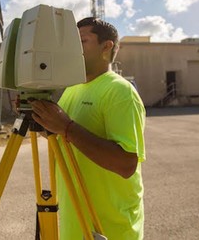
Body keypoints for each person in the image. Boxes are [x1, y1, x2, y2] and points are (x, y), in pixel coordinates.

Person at [30, 17, 146, 240]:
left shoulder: (120, 92)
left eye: (83, 41)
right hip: (75, 216)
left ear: (106, 46)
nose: (75, 49)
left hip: (109, 224)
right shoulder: (73, 89)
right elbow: (64, 137)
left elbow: (126, 164)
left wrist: (66, 127)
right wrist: (41, 119)